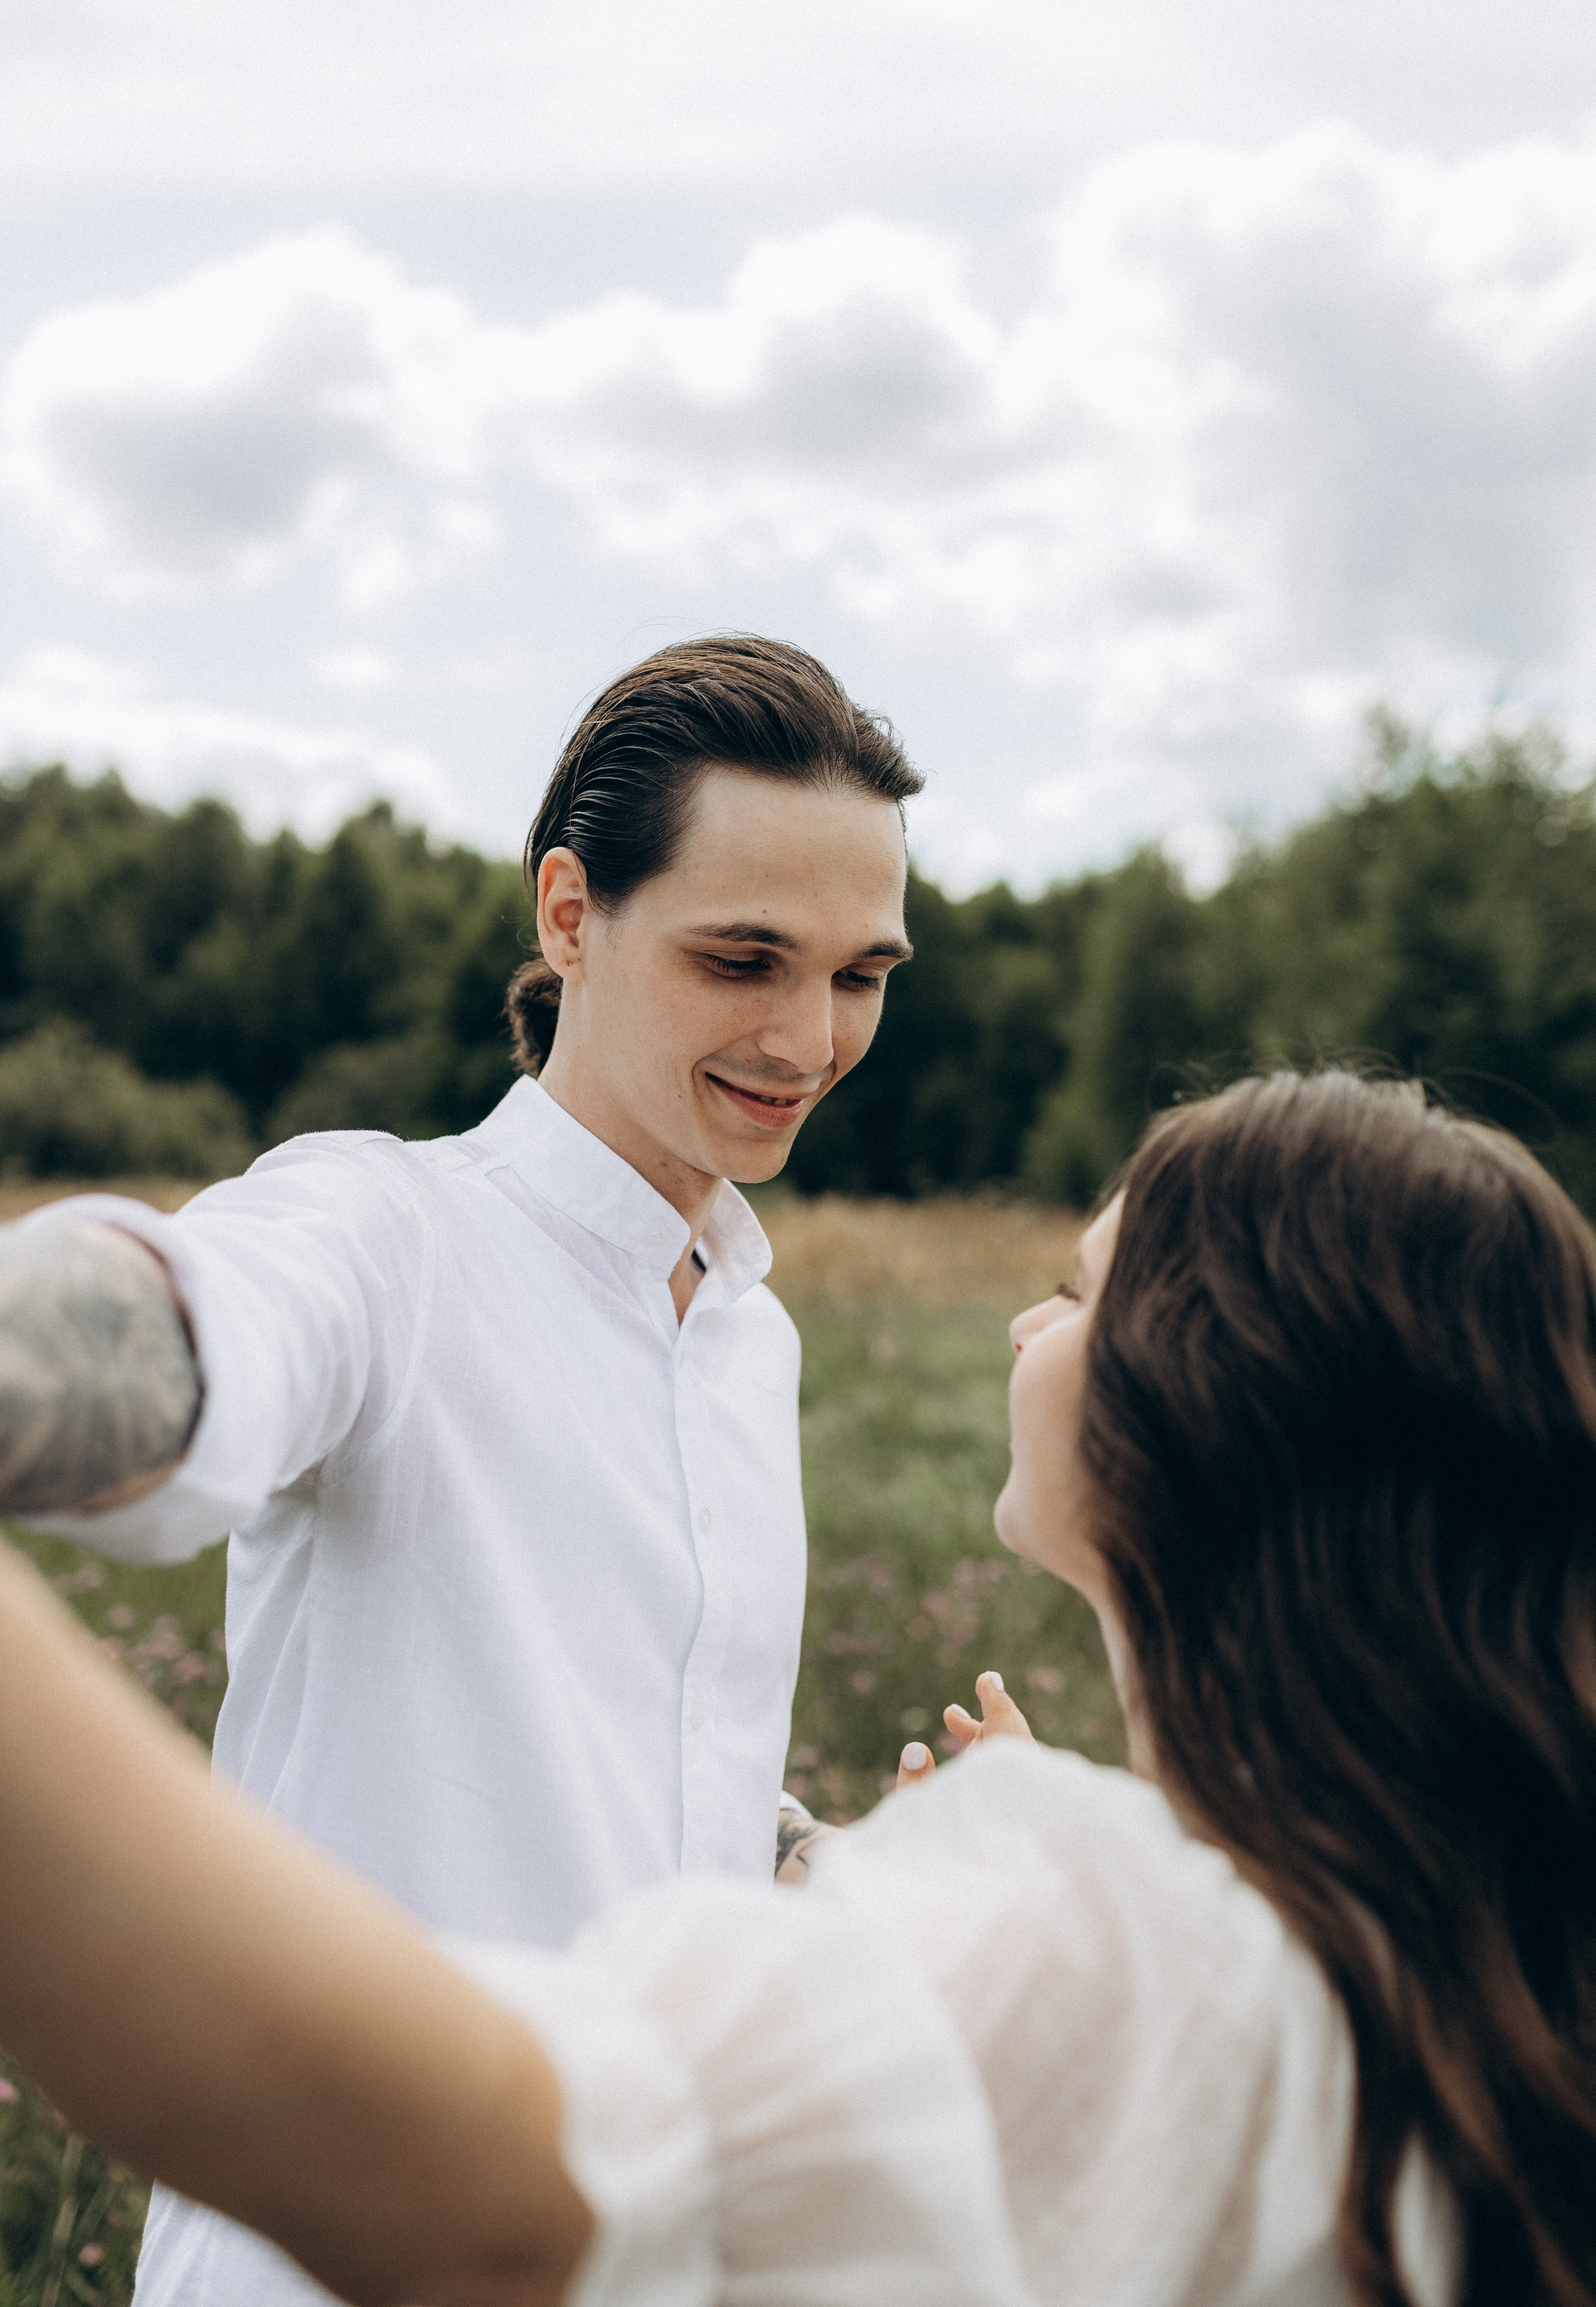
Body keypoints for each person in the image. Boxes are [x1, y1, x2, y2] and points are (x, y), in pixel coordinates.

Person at [10, 1067, 1595, 2305]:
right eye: (738, 953)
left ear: (1216, 1404)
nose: (1023, 1319)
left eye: (1078, 1287)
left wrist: (1043, 1935)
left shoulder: (1117, 1941)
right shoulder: (1460, 1942)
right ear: (570, 913)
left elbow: (480, 2203)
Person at [4, 633, 920, 2307]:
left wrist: (820, 1859)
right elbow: (186, 1324)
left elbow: (612, 1748)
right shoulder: (381, 1227)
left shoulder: (753, 1336)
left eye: (862, 974)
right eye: (746, 958)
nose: (809, 1034)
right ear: (571, 913)